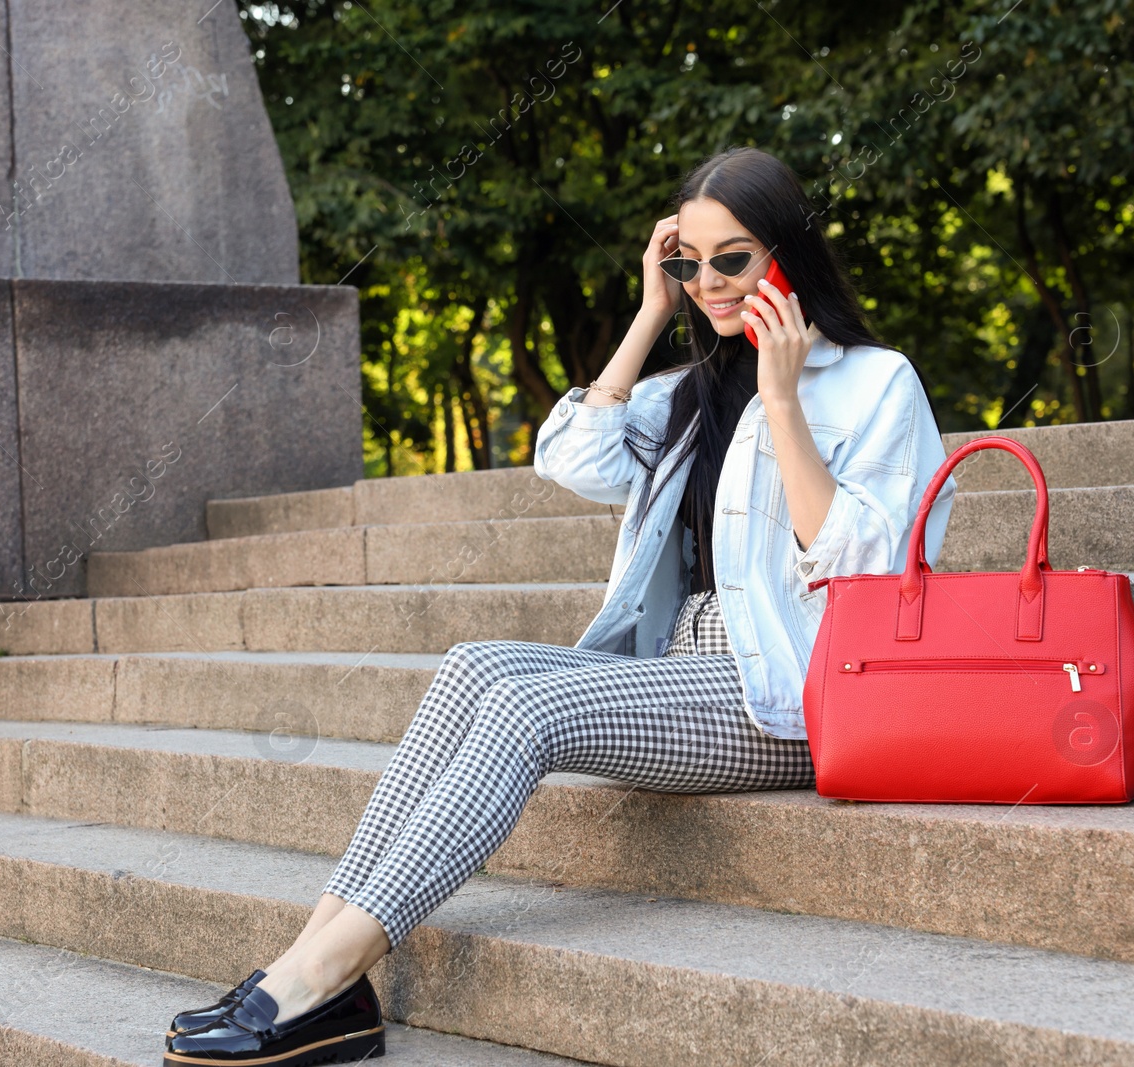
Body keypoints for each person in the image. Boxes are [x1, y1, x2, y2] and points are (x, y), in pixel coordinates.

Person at [160, 146, 956, 1066]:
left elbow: (867, 560)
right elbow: (575, 459)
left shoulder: (875, 382)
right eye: (684, 261)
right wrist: (649, 313)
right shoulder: (686, 394)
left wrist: (782, 398)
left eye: (730, 259)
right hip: (684, 671)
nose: (708, 282)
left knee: (530, 705)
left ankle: (319, 977)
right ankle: (311, 961)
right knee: (473, 664)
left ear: (787, 254)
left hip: (786, 692)